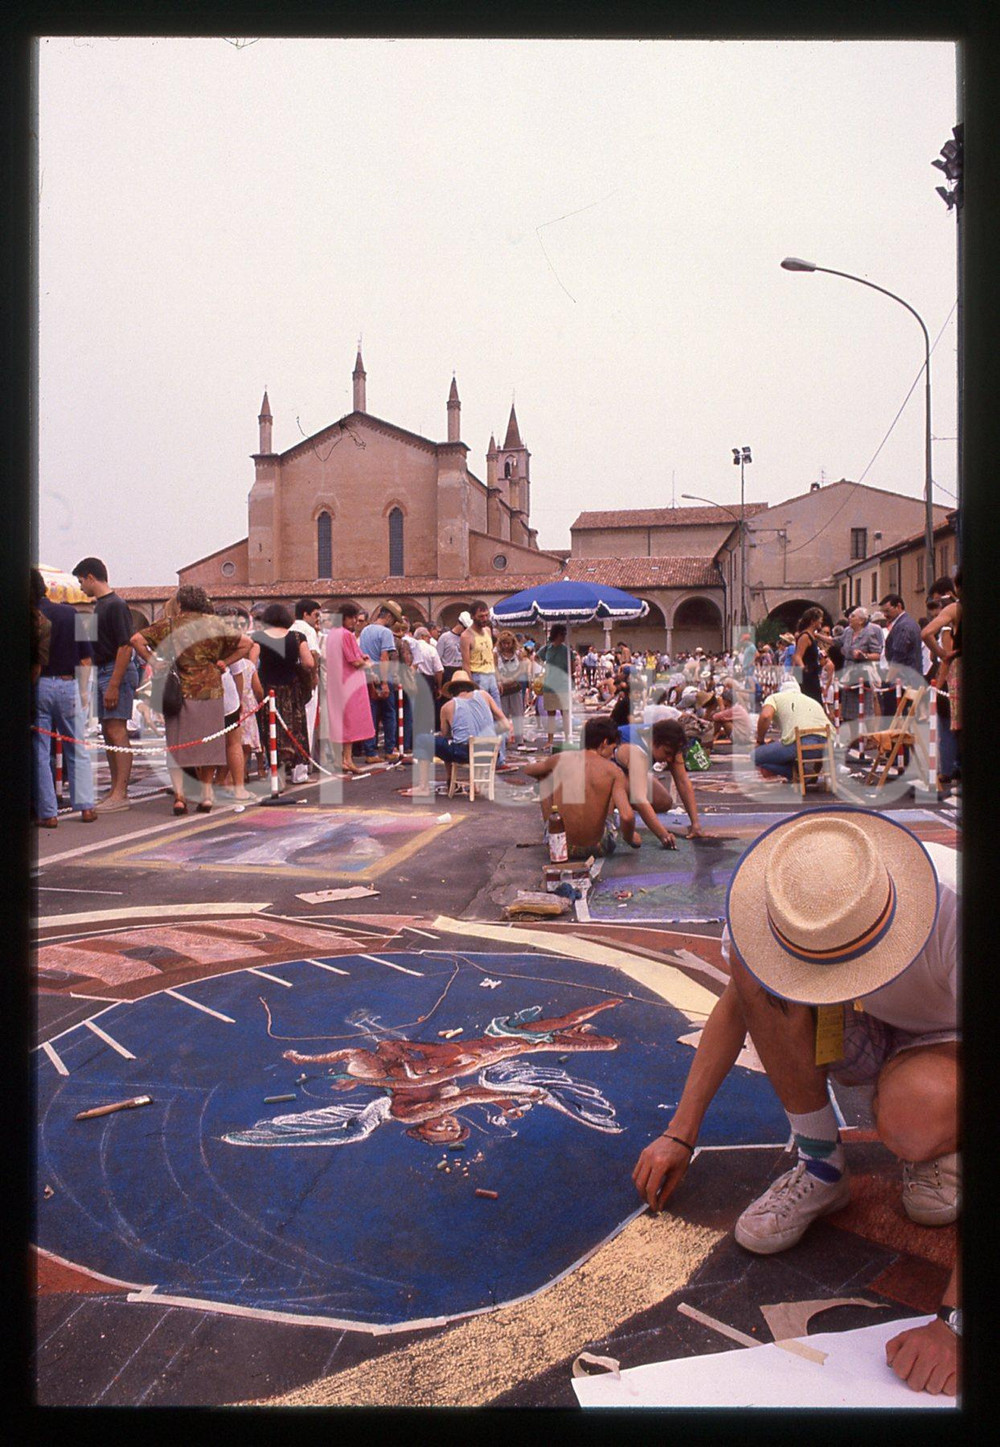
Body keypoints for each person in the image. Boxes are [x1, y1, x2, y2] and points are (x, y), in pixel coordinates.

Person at [632, 808, 959, 1397]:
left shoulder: (959, 914)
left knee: (912, 1115)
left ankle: (941, 1137)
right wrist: (681, 1131)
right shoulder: (783, 903)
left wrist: (957, 1323)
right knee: (756, 977)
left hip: (949, 1031)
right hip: (864, 1015)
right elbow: (740, 1002)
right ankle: (822, 1166)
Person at [132, 587, 252, 813]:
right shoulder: (216, 625)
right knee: (209, 746)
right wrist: (224, 662)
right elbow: (246, 644)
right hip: (210, 691)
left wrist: (154, 661)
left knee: (177, 746)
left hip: (179, 692)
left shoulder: (169, 624)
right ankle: (206, 796)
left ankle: (180, 798)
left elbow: (136, 639)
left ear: (180, 603)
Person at [72, 556, 142, 812]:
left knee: (116, 730)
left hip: (114, 670)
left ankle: (121, 792)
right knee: (109, 730)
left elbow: (125, 646)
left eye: (81, 581)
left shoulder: (115, 605)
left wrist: (113, 684)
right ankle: (115, 790)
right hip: (105, 670)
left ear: (91, 577)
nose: (81, 587)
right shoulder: (100, 606)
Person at [31, 568, 96, 826]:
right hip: (69, 684)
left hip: (40, 685)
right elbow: (86, 659)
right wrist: (84, 692)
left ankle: (48, 813)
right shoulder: (71, 614)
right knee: (76, 746)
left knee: (40, 750)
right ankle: (86, 807)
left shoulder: (27, 617)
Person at [522, 716, 637, 857]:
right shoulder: (613, 771)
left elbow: (528, 770)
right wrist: (630, 837)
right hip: (598, 847)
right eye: (613, 749)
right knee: (610, 787)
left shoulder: (560, 759)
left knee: (544, 779)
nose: (612, 756)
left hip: (560, 847)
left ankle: (553, 832)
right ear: (605, 743)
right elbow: (627, 816)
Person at [411, 669, 511, 797]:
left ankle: (423, 786)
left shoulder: (447, 707)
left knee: (423, 740)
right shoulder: (485, 695)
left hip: (464, 752)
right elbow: (504, 722)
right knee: (469, 740)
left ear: (452, 690)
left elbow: (445, 734)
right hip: (491, 752)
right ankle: (473, 783)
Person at [607, 717, 704, 845]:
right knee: (621, 787)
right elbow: (640, 799)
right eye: (667, 753)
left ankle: (617, 803)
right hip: (599, 775)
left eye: (672, 755)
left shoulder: (670, 743)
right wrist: (663, 835)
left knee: (663, 801)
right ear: (653, 742)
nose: (669, 759)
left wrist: (695, 824)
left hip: (624, 771)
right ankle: (607, 811)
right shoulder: (636, 751)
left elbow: (683, 782)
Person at [249, 603, 316, 787]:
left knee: (272, 730)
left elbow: (251, 664)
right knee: (297, 729)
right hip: (292, 689)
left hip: (268, 689)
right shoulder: (297, 636)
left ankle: (276, 774)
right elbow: (309, 663)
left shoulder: (258, 638)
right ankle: (299, 773)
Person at [213, 604, 262, 801]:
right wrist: (239, 700)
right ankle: (237, 788)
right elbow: (238, 674)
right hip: (227, 698)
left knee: (212, 744)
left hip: (206, 696)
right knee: (233, 743)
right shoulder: (231, 643)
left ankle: (213, 785)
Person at [921, 570, 961, 793]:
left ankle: (949, 769)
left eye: (937, 603)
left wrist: (939, 680)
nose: (935, 610)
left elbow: (927, 634)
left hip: (954, 676)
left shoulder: (952, 613)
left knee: (950, 726)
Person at [324, 601, 374, 775]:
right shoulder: (346, 635)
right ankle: (347, 759)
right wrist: (369, 665)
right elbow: (355, 661)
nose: (355, 621)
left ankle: (340, 759)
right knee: (351, 722)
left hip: (335, 683)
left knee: (339, 721)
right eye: (352, 618)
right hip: (350, 683)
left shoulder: (331, 634)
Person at [752, 680, 831, 782]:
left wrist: (760, 740)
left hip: (801, 743)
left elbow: (765, 716)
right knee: (787, 749)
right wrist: (815, 773)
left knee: (755, 756)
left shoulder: (774, 698)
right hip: (827, 744)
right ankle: (809, 775)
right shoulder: (812, 701)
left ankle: (800, 773)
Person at [358, 600, 403, 762]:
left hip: (367, 673)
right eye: (394, 619)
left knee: (371, 713)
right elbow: (384, 658)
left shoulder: (365, 630)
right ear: (389, 616)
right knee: (389, 713)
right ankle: (389, 749)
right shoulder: (385, 633)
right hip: (382, 674)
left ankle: (370, 751)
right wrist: (384, 683)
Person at [289, 598, 322, 775]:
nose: (317, 619)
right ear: (305, 614)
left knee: (293, 722)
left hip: (291, 679)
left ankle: (293, 762)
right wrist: (314, 675)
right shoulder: (308, 630)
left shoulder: (290, 628)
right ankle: (303, 765)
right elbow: (313, 654)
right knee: (307, 722)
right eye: (315, 615)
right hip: (305, 679)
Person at [460, 600, 502, 709]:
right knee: (482, 710)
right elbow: (466, 664)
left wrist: (498, 678)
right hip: (478, 675)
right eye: (481, 616)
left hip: (491, 674)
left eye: (486, 615)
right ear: (472, 616)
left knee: (497, 709)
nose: (484, 619)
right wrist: (469, 685)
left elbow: (491, 656)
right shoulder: (466, 636)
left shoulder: (488, 630)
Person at [495, 629, 527, 749]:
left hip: (515, 686)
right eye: (504, 643)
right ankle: (505, 740)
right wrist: (500, 679)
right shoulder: (496, 654)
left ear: (512, 643)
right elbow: (494, 668)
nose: (506, 646)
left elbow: (523, 667)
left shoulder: (518, 653)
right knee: (503, 714)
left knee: (517, 713)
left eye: (508, 643)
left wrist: (514, 677)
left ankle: (519, 740)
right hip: (502, 688)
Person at [792, 607, 825, 704]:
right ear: (813, 621)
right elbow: (798, 656)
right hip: (807, 675)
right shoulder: (805, 636)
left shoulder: (812, 636)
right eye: (820, 619)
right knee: (812, 702)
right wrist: (804, 668)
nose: (821, 621)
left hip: (813, 673)